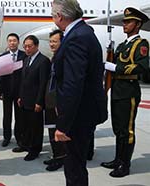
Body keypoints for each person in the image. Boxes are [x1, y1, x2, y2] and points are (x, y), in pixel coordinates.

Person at [51, 0, 108, 185]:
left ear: (60, 16)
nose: (53, 18)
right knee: (75, 164)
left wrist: (63, 125)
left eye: (53, 15)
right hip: (83, 111)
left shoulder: (77, 37)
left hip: (79, 114)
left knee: (74, 166)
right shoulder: (82, 32)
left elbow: (73, 84)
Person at [101, 7, 149, 178]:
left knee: (127, 130)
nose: (124, 24)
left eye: (128, 21)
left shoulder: (141, 44)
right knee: (118, 128)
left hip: (129, 91)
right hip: (117, 91)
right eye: (124, 21)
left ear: (137, 24)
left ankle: (125, 164)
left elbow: (142, 66)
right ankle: (118, 159)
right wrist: (110, 54)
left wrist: (116, 67)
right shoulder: (122, 45)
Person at [17, 35, 50, 161]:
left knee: (36, 126)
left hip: (35, 100)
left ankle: (35, 149)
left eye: (29, 46)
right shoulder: (26, 59)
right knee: (25, 124)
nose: (27, 48)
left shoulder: (43, 61)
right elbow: (23, 80)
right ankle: (25, 145)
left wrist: (39, 102)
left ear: (36, 46)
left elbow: (43, 84)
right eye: (25, 46)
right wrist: (20, 95)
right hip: (25, 99)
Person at [0, 33, 26, 148]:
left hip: (20, 92)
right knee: (7, 115)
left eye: (14, 40)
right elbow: (0, 75)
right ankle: (7, 137)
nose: (12, 43)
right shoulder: (3, 57)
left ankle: (19, 138)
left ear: (18, 42)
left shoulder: (24, 56)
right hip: (7, 92)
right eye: (10, 41)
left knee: (19, 116)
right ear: (7, 43)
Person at [43, 29, 66, 171]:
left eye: (55, 41)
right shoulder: (54, 58)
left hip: (59, 102)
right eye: (50, 41)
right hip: (50, 100)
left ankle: (61, 158)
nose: (51, 44)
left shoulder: (64, 59)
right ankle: (55, 155)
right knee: (51, 130)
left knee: (59, 131)